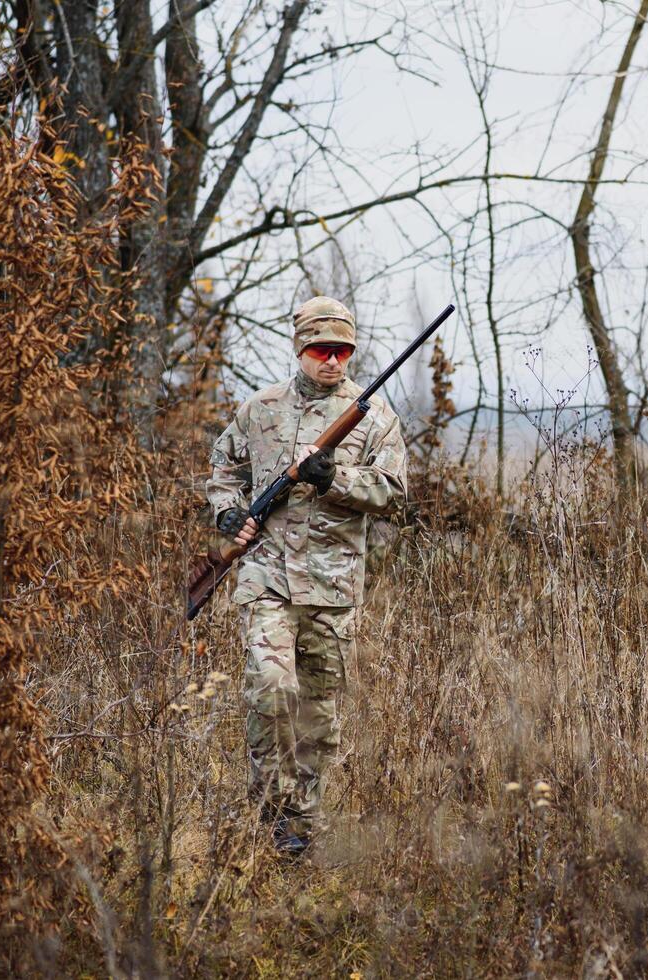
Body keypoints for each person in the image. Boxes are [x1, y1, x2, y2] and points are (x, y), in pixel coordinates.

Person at [205, 295, 406, 855]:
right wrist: (229, 513)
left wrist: (333, 479)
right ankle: (269, 815)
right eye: (322, 349)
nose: (333, 360)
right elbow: (223, 472)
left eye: (343, 350)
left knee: (319, 711)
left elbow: (394, 493)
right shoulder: (260, 409)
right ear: (301, 351)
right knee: (271, 688)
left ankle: (304, 827)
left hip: (333, 587)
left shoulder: (377, 418)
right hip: (266, 578)